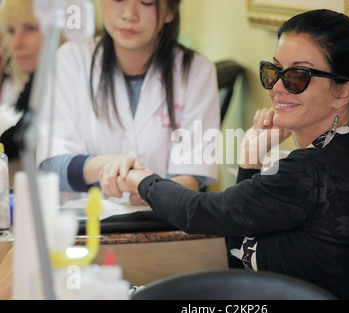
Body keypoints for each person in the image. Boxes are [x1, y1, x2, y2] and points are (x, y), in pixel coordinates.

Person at [111, 9, 349, 300]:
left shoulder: (312, 172)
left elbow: (196, 213)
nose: (277, 88)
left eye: (297, 76)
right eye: (274, 71)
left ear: (343, 93)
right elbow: (238, 247)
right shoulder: (336, 155)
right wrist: (251, 159)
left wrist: (141, 179)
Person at [37, 0, 220, 198]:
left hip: (160, 220)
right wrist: (111, 166)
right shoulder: (69, 61)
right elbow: (50, 165)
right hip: (85, 221)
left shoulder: (196, 71)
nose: (129, 14)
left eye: (147, 2)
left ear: (170, 10)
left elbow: (192, 176)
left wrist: (151, 191)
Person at [0, 0, 43, 179]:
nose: (17, 42)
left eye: (30, 28)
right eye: (11, 31)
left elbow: (14, 140)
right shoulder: (36, 81)